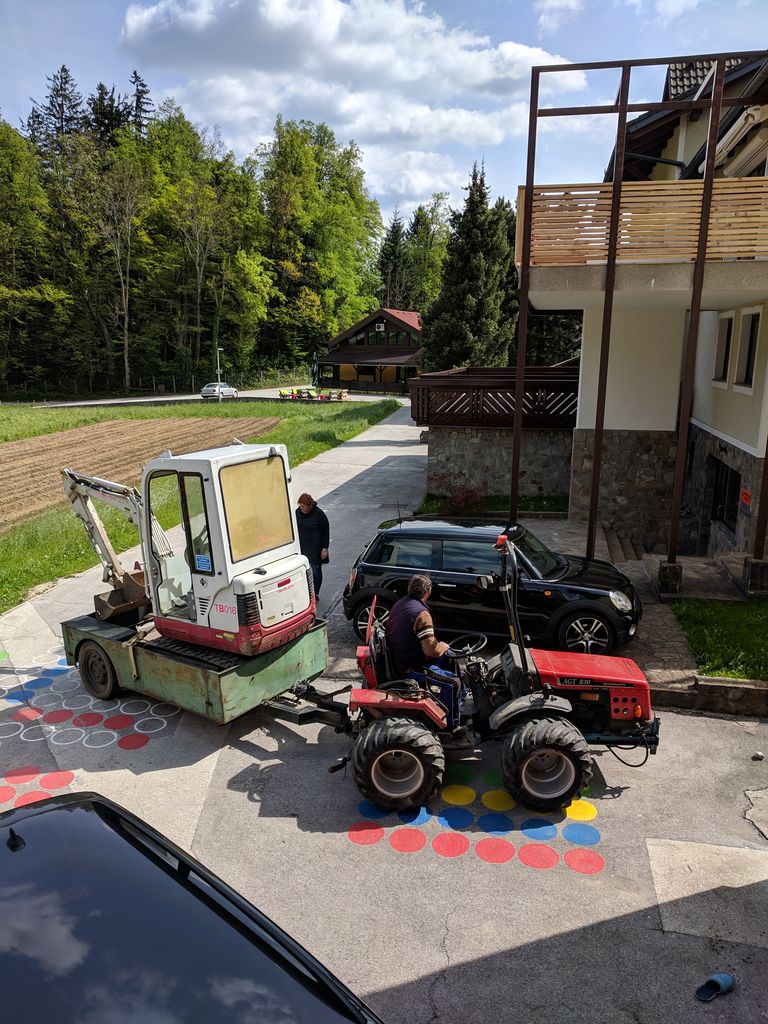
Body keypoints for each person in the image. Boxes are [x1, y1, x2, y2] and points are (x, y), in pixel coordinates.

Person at [384, 575, 466, 732]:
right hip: (409, 667)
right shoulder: (422, 614)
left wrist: (444, 649)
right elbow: (431, 650)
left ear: (409, 589)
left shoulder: (400, 604)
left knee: (450, 656)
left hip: (400, 656)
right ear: (427, 593)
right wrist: (442, 646)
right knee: (452, 683)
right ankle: (451, 725)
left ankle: (459, 699)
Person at [295, 493, 330, 597]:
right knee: (302, 570)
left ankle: (315, 593)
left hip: (315, 548)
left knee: (315, 570)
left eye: (304, 506)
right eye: (301, 506)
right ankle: (305, 592)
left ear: (310, 505)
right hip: (302, 547)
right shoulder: (297, 513)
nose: (302, 508)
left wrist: (325, 548)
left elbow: (325, 531)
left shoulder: (319, 514)